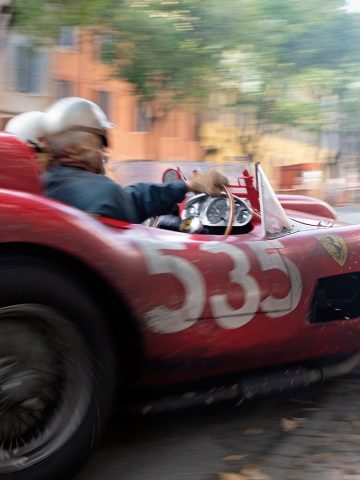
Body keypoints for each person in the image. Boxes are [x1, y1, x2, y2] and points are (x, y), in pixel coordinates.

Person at [42, 97, 228, 224]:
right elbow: (131, 200)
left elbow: (133, 196)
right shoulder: (104, 193)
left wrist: (187, 186)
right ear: (79, 148)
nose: (103, 153)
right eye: (101, 144)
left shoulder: (42, 183)